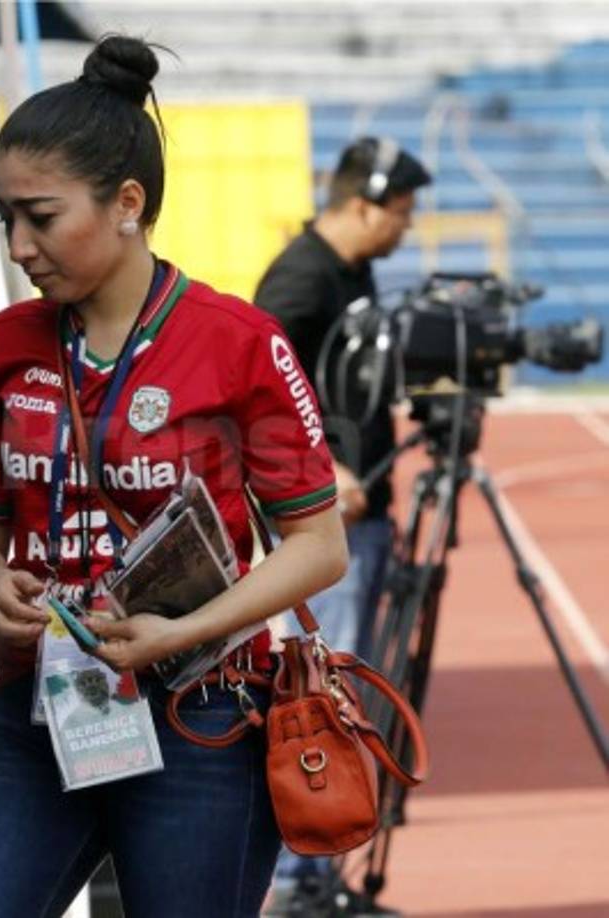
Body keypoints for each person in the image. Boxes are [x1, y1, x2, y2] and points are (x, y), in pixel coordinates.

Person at [0, 35, 348, 918]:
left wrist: (172, 633)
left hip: (204, 712)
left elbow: (317, 548)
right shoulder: (3, 348)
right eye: (7, 218)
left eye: (41, 216)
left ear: (127, 203)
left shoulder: (237, 342)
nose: (20, 244)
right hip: (36, 706)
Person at [253, 138, 431, 912]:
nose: (404, 228)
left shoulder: (351, 270)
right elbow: (256, 385)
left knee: (345, 691)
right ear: (361, 203)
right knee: (325, 693)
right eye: (398, 213)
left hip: (361, 512)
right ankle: (301, 875)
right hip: (325, 519)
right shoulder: (299, 277)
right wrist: (320, 464)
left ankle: (323, 870)